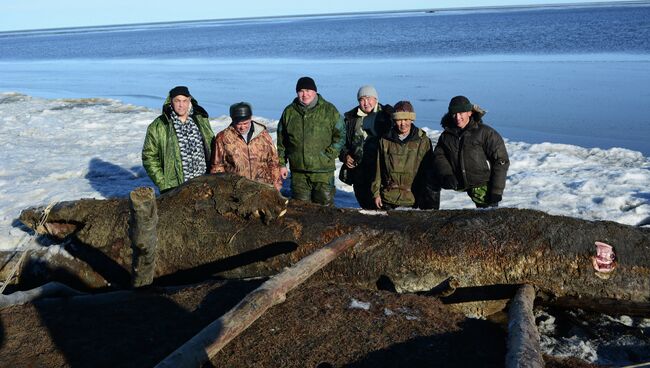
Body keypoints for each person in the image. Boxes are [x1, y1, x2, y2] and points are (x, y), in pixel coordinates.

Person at [277, 76, 345, 205]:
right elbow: (282, 141)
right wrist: (281, 164)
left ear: (315, 91)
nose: (305, 94)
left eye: (308, 90)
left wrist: (329, 154)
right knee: (301, 209)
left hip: (323, 172)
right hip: (299, 172)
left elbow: (341, 135)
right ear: (297, 93)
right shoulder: (289, 112)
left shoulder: (329, 110)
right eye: (301, 91)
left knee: (324, 208)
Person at [433, 95, 509, 208]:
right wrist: (446, 174)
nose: (457, 117)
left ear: (469, 112)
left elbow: (501, 160)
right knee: (429, 176)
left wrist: (496, 191)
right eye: (454, 114)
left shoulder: (485, 133)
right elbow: (439, 155)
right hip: (456, 182)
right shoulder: (446, 135)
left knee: (488, 218)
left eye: (461, 113)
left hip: (481, 184)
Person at [142, 86, 214, 193]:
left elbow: (212, 145)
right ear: (171, 101)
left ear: (189, 101)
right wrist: (163, 183)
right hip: (175, 188)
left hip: (202, 184)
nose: (181, 105)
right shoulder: (159, 126)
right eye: (177, 101)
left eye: (184, 101)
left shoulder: (200, 119)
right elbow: (149, 157)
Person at [372, 101, 439, 210]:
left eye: (406, 119)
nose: (403, 124)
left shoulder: (423, 141)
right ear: (394, 120)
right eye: (399, 120)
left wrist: (427, 201)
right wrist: (376, 194)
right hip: (388, 198)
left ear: (412, 119)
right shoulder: (385, 140)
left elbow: (428, 173)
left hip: (414, 199)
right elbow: (378, 169)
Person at [339, 85, 393, 209]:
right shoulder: (351, 118)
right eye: (362, 99)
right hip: (359, 172)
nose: (366, 103)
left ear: (376, 99)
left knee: (382, 206)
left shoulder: (387, 115)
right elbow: (342, 142)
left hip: (381, 171)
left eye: (369, 98)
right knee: (365, 204)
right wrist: (345, 155)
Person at [210, 102, 282, 190]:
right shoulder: (223, 138)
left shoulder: (263, 135)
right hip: (236, 189)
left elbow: (273, 160)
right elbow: (217, 166)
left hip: (262, 188)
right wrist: (221, 187)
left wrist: (276, 182)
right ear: (233, 120)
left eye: (246, 123)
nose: (242, 127)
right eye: (239, 124)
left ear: (251, 118)